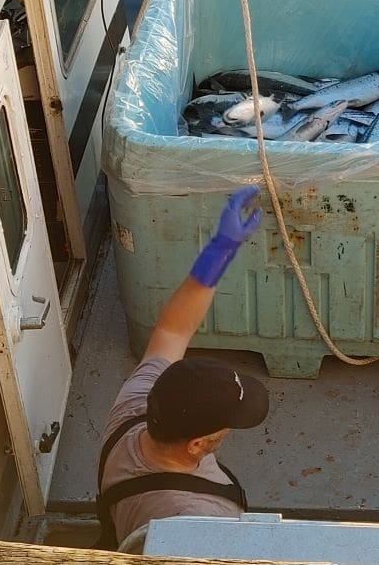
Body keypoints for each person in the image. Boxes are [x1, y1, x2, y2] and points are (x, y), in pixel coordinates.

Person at [95, 185, 269, 549]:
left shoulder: (134, 408)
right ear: (197, 444)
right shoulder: (194, 520)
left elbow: (172, 330)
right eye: (229, 425)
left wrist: (222, 249)